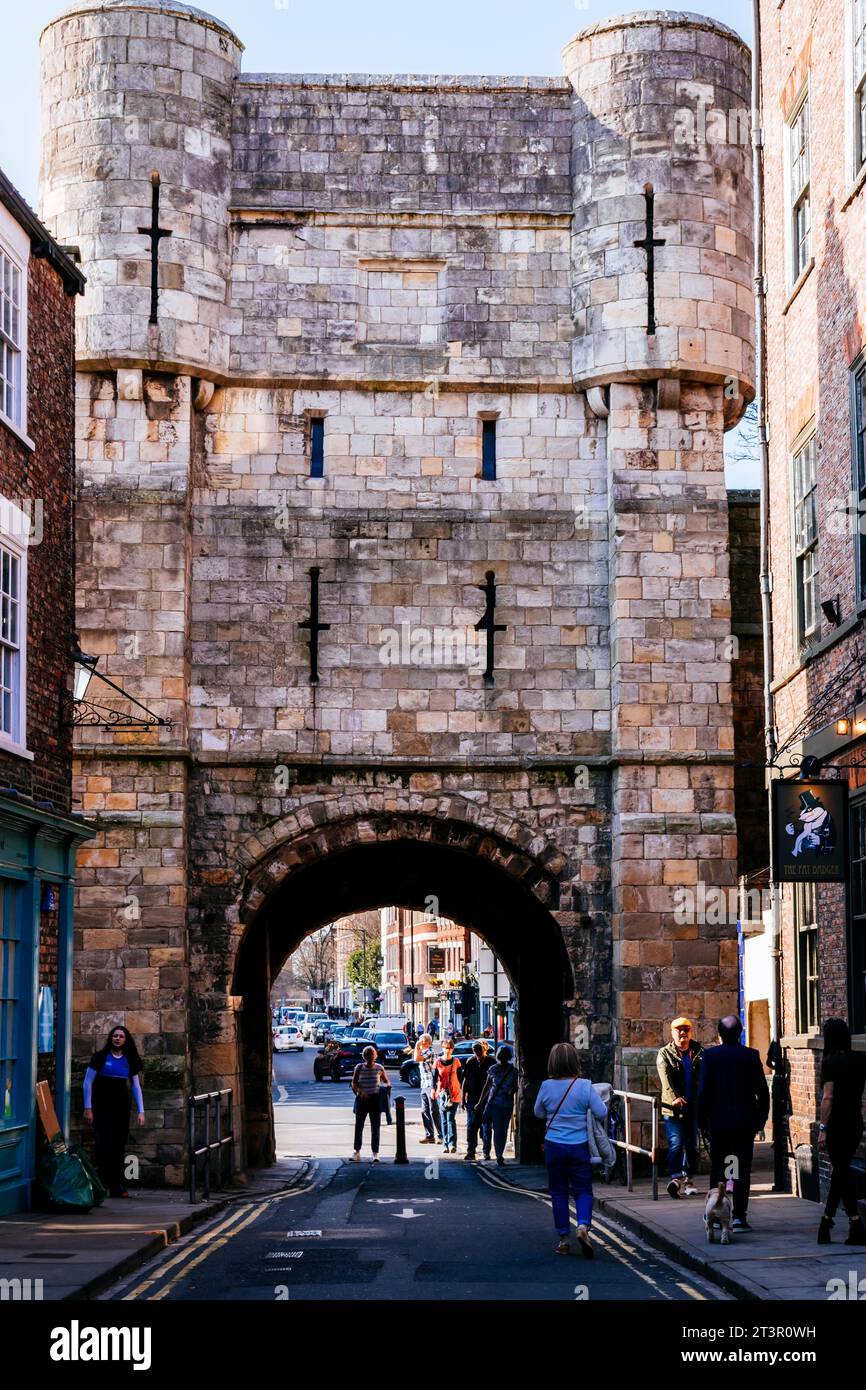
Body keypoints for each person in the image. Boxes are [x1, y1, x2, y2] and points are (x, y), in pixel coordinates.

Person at [534, 1042, 610, 1257]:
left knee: (558, 1192)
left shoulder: (546, 1086)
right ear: (575, 1061)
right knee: (583, 1190)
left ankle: (564, 1240)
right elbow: (601, 1112)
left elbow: (538, 1112)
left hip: (554, 1146)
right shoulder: (584, 1085)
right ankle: (583, 1225)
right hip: (579, 1146)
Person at [698, 1015, 769, 1232]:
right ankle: (739, 1216)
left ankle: (716, 1213)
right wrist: (761, 1120)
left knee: (719, 1169)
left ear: (719, 1034)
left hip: (719, 1124)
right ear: (740, 1033)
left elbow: (703, 1093)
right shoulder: (750, 1056)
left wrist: (702, 1123)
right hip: (743, 1124)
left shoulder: (711, 1057)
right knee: (739, 1171)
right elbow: (763, 1093)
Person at [816, 1017, 866, 1245]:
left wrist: (823, 1128)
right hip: (855, 1122)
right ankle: (832, 1224)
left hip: (836, 1123)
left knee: (841, 1171)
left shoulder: (829, 1062)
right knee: (841, 1171)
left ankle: (846, 1223)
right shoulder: (860, 1059)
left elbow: (828, 1097)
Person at [83, 1025, 145, 1197]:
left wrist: (141, 1111)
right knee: (103, 1145)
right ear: (111, 1038)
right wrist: (88, 1108)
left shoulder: (129, 1060)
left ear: (126, 1040)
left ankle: (117, 1185)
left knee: (118, 1145)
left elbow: (136, 1087)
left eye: (121, 1036)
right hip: (101, 1106)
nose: (117, 1038)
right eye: (115, 1035)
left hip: (121, 1107)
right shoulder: (100, 1057)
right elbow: (87, 1083)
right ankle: (103, 1184)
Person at [656, 1016, 703, 1199]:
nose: (683, 1033)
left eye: (686, 1029)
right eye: (679, 1030)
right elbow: (665, 1078)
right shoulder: (664, 1054)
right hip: (673, 1108)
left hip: (693, 1107)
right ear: (672, 1033)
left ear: (690, 1032)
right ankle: (675, 1179)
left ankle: (688, 1179)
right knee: (676, 1143)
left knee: (692, 1146)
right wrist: (675, 1097)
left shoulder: (699, 1052)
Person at [477, 1045, 519, 1166]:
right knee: (498, 1129)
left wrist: (512, 1090)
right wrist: (480, 1102)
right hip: (495, 1103)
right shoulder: (493, 1069)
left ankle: (499, 1153)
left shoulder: (513, 1071)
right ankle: (499, 1154)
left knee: (502, 1129)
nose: (504, 1058)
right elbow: (487, 1087)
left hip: (506, 1104)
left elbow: (516, 1086)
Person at [350, 1045, 390, 1162]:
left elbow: (386, 1082)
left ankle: (375, 1153)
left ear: (375, 1056)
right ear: (364, 1056)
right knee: (359, 1126)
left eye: (372, 1055)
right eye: (368, 1055)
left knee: (375, 1127)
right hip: (362, 1100)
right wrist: (360, 1092)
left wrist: (386, 1087)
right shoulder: (359, 1067)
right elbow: (354, 1083)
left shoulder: (379, 1068)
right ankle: (356, 1151)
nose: (370, 1057)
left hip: (375, 1099)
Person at [461, 1040, 495, 1160]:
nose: (476, 1051)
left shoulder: (492, 1062)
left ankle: (486, 1152)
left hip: (487, 1101)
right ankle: (471, 1151)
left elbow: (493, 1083)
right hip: (472, 1099)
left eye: (479, 1049)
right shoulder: (470, 1062)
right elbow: (465, 1080)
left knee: (486, 1127)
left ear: (485, 1049)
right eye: (474, 1049)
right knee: (471, 1127)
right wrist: (462, 1098)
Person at [433, 1038, 463, 1153]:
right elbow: (434, 1077)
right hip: (442, 1094)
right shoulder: (437, 1062)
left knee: (451, 1119)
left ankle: (452, 1144)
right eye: (445, 1048)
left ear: (452, 1049)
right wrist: (433, 1090)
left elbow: (461, 1078)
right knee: (444, 1120)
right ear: (443, 1048)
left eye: (449, 1048)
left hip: (454, 1093)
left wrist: (462, 1091)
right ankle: (445, 1144)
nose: (447, 1050)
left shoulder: (456, 1062)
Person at [414, 1033, 442, 1145]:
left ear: (429, 1043)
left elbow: (416, 1058)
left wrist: (416, 1046)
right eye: (420, 1041)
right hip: (424, 1084)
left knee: (434, 1110)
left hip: (431, 1083)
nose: (421, 1043)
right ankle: (429, 1136)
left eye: (423, 1042)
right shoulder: (423, 1052)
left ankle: (441, 1135)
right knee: (424, 1111)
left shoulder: (429, 1052)